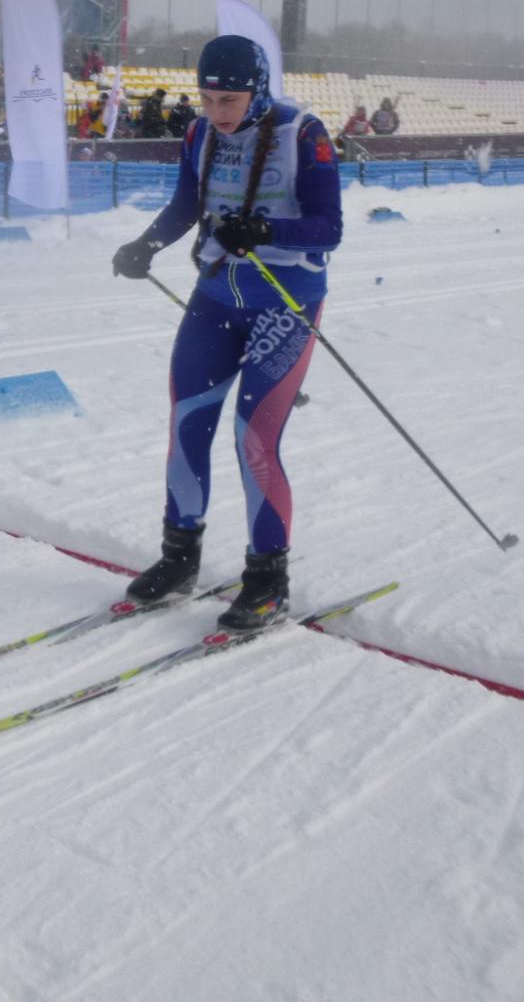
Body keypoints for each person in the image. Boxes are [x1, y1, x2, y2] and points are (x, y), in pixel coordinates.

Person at [110, 35, 342, 633]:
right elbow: (186, 204)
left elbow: (329, 228)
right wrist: (145, 245)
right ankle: (179, 558)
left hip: (284, 304)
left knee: (253, 440)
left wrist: (265, 232)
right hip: (216, 298)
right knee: (187, 422)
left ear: (257, 92)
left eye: (229, 101)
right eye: (208, 99)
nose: (217, 112)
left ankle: (268, 581)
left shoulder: (303, 133)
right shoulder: (199, 134)